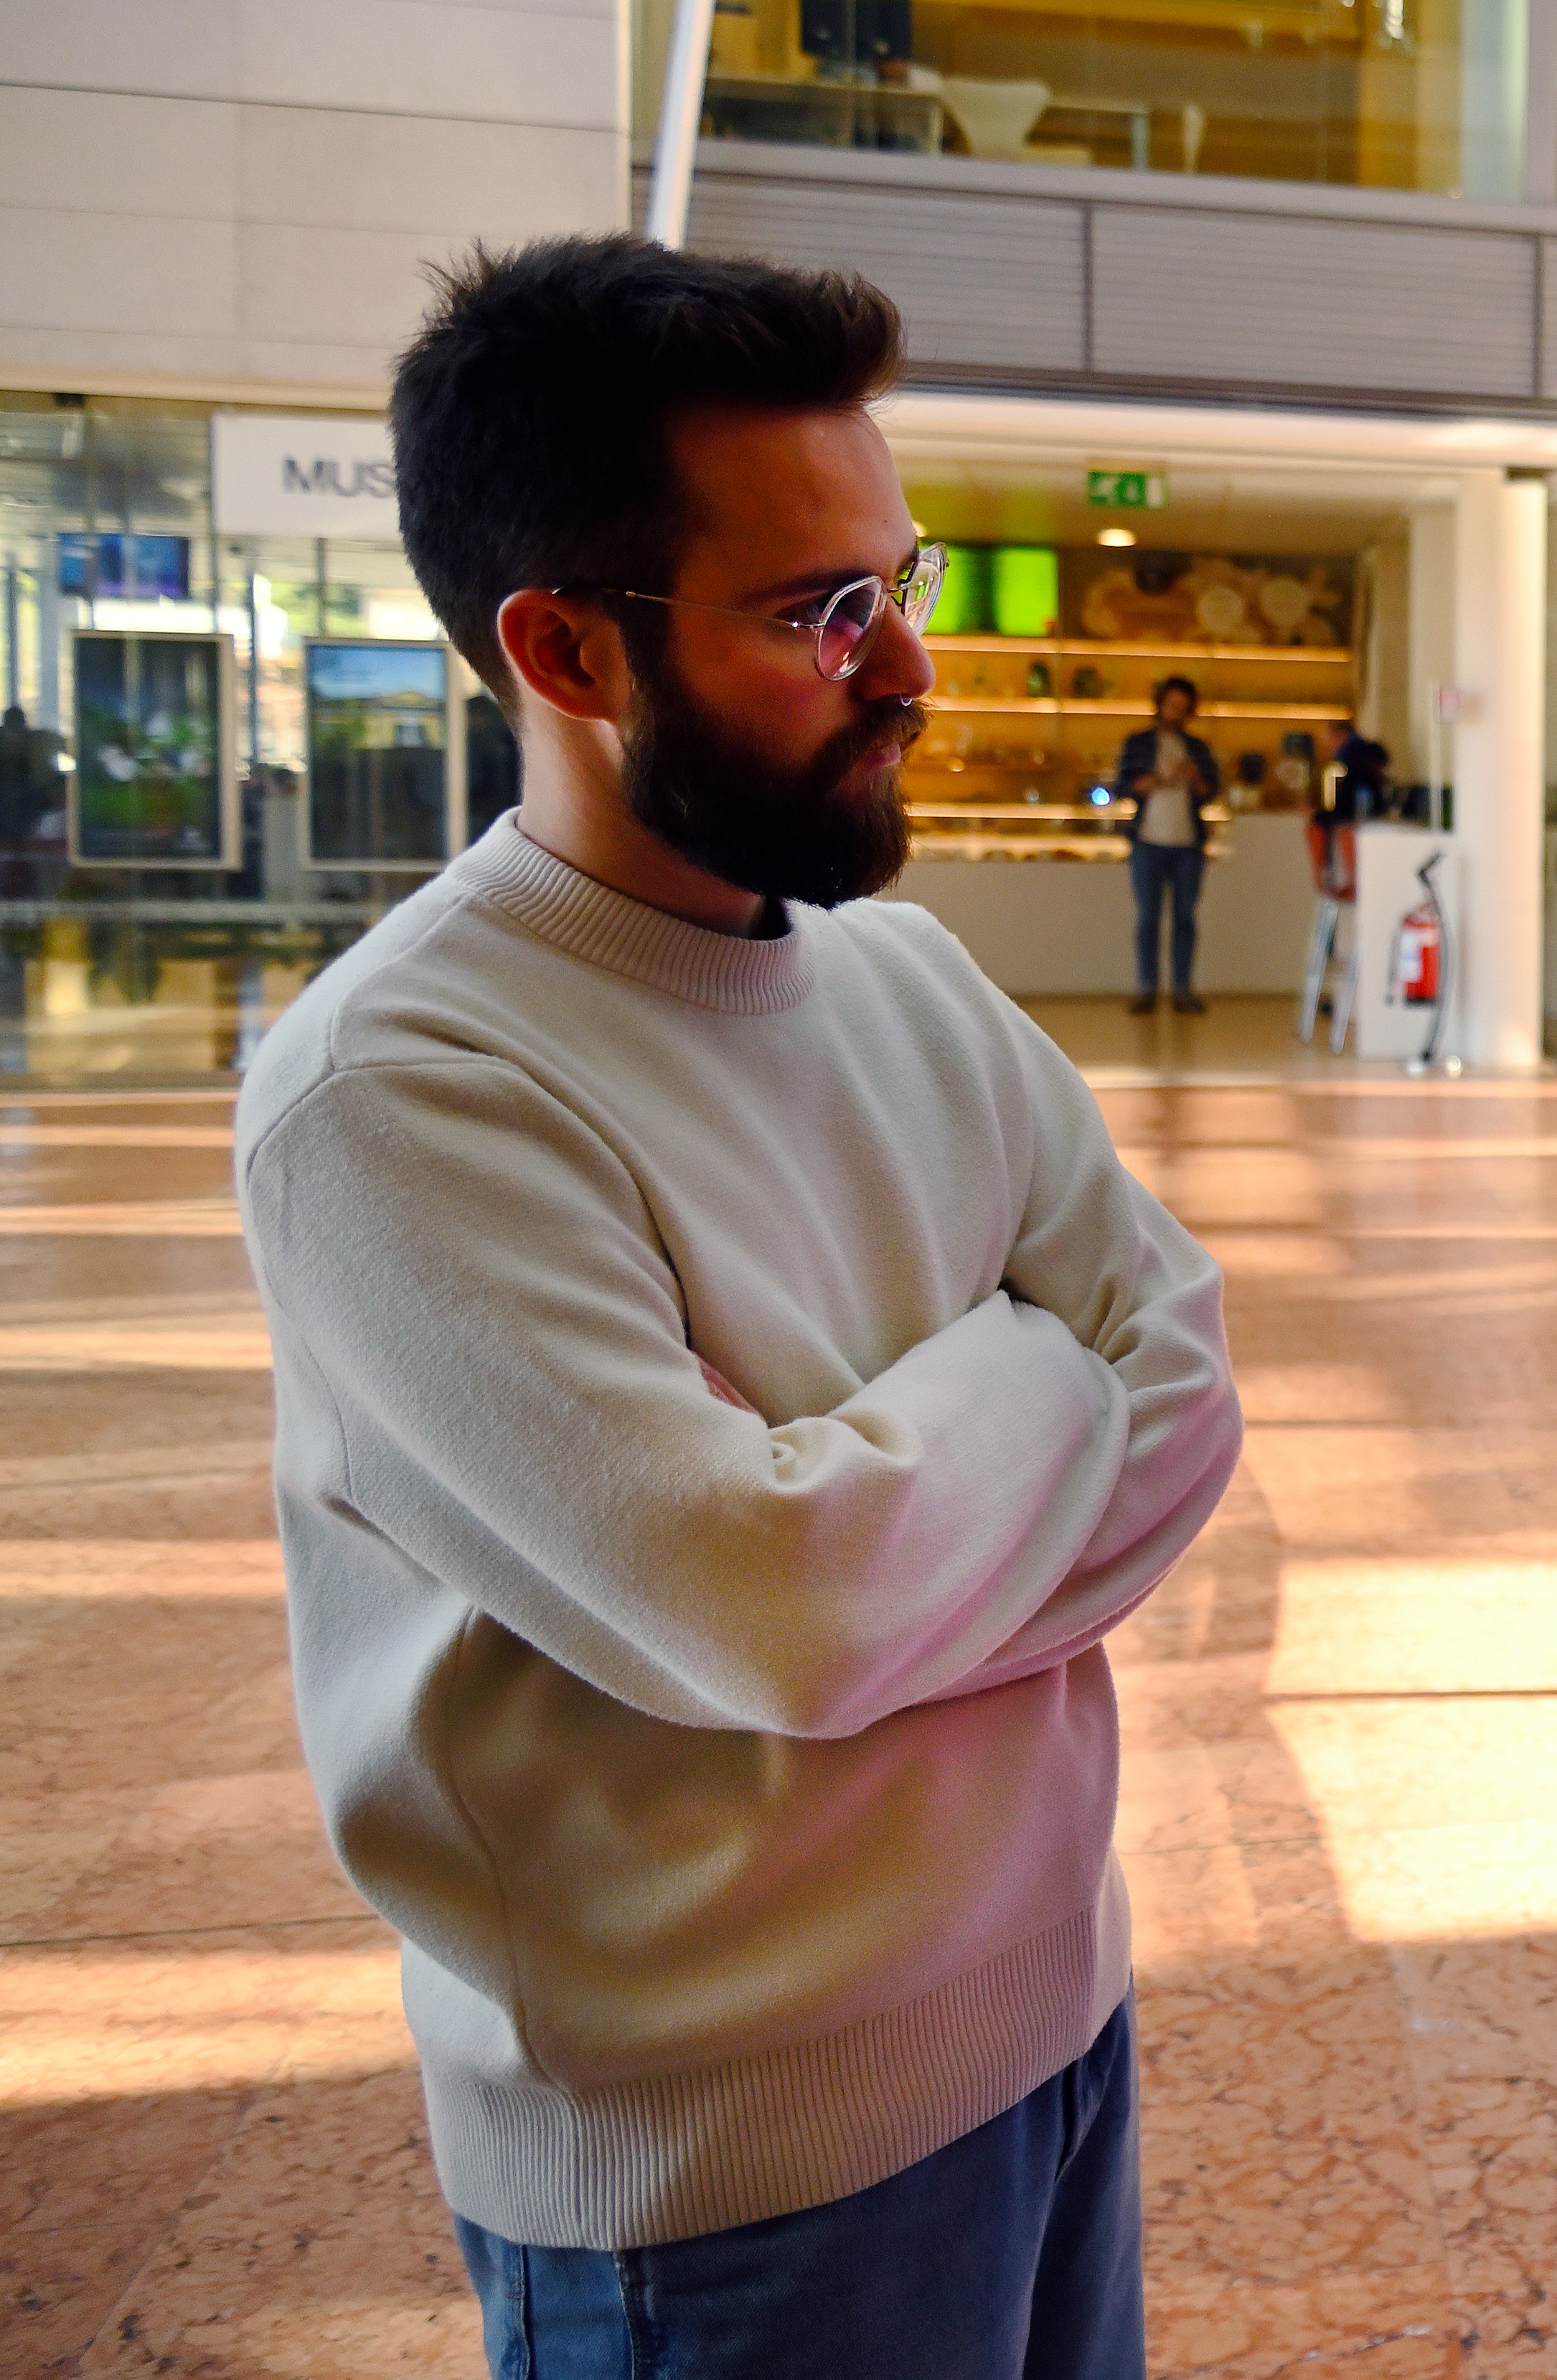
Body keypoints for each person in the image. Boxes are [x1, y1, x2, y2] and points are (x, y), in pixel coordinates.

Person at [236, 237, 1241, 2379]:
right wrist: (1036, 1359)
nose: (911, 669)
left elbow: (1187, 1387)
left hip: (1059, 2022)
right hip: (722, 2190)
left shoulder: (912, 977)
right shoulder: (401, 1089)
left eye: (903, 578)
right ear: (565, 646)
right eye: (822, 611)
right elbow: (775, 1599)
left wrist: (875, 1507)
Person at [1115, 675, 1215, 1016]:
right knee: (1148, 918)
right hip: (1148, 841)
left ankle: (1182, 988)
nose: (1176, 713)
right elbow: (1124, 786)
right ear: (1161, 705)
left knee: (1185, 918)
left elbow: (1211, 791)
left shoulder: (1197, 748)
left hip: (1188, 844)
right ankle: (1147, 987)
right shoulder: (1138, 743)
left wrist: (1194, 778)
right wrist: (1160, 779)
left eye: (1183, 708)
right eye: (1172, 706)